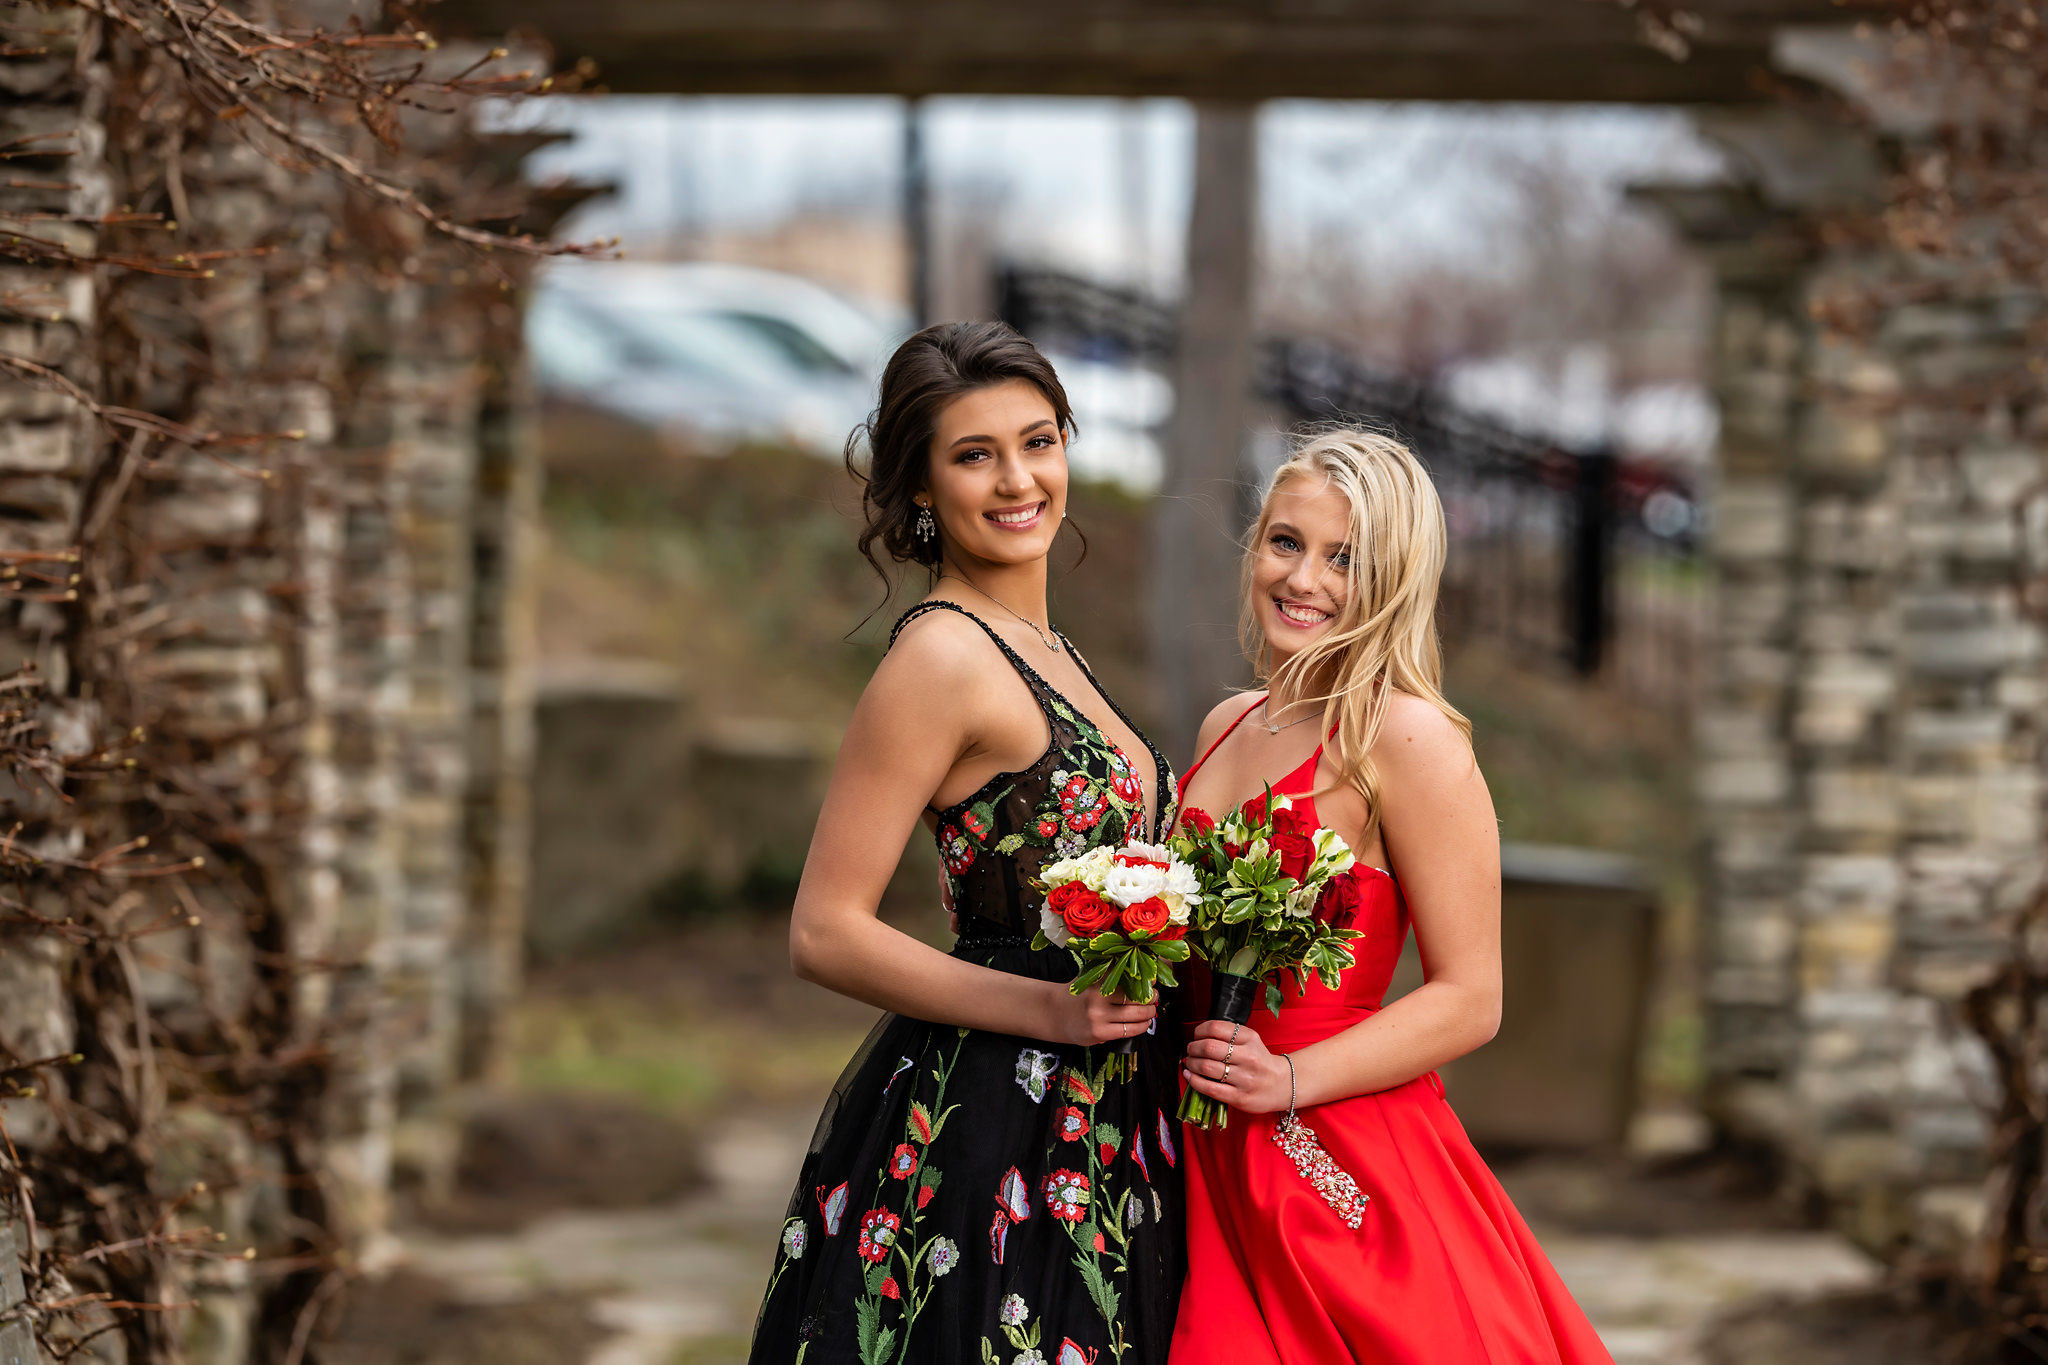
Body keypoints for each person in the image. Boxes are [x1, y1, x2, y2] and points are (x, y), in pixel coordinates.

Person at [749, 321, 1186, 1365]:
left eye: (1037, 442)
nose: (1015, 479)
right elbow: (825, 930)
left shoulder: (1051, 649)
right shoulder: (942, 656)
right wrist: (1050, 1010)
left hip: (1113, 1117)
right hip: (998, 1127)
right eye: (972, 455)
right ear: (918, 488)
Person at [1169, 429, 1613, 1365]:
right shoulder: (1226, 723)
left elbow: (1471, 996)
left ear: (1395, 580)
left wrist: (1288, 1080)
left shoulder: (1407, 740)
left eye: (1347, 560)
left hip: (1328, 1148)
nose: (1306, 580)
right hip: (1195, 1134)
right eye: (1286, 542)